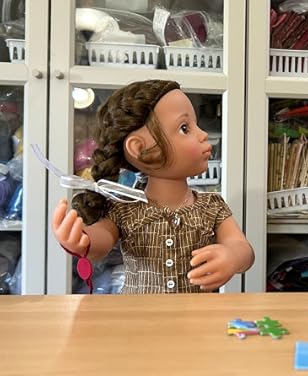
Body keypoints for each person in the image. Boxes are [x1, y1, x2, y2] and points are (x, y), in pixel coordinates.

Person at [52, 79, 254, 293]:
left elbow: (243, 248)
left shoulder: (212, 206)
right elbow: (102, 241)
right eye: (185, 128)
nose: (203, 134)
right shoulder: (125, 208)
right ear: (139, 148)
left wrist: (232, 256)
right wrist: (83, 240)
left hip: (196, 312)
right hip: (140, 312)